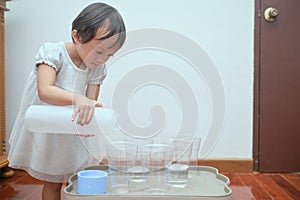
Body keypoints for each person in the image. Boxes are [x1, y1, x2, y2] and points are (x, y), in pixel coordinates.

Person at [8, 3, 126, 200]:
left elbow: (89, 104)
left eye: (109, 55)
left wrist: (90, 120)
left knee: (79, 181)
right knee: (53, 184)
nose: (102, 59)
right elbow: (45, 90)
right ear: (77, 36)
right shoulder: (54, 53)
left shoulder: (97, 69)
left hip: (71, 129)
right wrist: (78, 98)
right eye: (99, 52)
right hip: (48, 130)